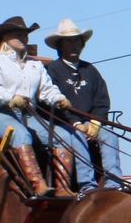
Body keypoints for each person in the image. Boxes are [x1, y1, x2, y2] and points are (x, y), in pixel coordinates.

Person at [0, 16, 74, 196]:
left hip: (28, 115)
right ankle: (38, 185)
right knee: (20, 134)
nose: (24, 38)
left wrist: (59, 99)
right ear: (5, 37)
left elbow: (47, 89)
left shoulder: (35, 64)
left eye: (25, 35)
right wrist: (11, 98)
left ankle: (63, 188)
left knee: (62, 136)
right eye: (18, 35)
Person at [42, 18, 114, 188]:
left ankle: (114, 182)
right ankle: (87, 184)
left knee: (110, 136)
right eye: (69, 41)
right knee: (77, 136)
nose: (74, 45)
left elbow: (102, 100)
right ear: (60, 45)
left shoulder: (90, 70)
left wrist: (95, 123)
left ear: (82, 45)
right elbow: (51, 102)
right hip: (65, 125)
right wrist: (75, 123)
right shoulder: (52, 70)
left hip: (91, 123)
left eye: (77, 41)